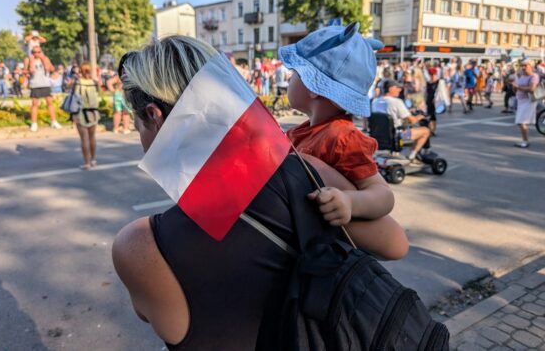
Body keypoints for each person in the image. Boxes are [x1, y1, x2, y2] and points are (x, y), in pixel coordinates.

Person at [112, 35, 409, 349]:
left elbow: (156, 318)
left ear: (154, 116)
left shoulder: (137, 247)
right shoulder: (302, 168)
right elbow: (395, 245)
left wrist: (351, 201)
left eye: (137, 124)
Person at [279, 24, 395, 227]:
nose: (290, 79)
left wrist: (350, 202)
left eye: (294, 73)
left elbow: (384, 195)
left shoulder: (342, 138)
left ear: (312, 85)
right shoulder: (302, 132)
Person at [372, 80, 431, 165]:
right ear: (390, 88)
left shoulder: (375, 102)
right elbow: (412, 120)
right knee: (425, 131)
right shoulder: (396, 102)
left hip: (379, 136)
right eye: (397, 88)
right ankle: (412, 156)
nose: (400, 90)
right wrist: (420, 116)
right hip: (397, 136)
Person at [24, 46, 62, 132]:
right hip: (35, 84)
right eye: (34, 52)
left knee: (50, 103)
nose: (36, 54)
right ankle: (34, 123)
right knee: (34, 104)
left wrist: (47, 65)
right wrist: (29, 71)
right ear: (32, 52)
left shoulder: (45, 58)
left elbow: (52, 69)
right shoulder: (28, 59)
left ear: (41, 51)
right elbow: (24, 71)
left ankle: (54, 121)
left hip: (45, 83)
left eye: (38, 52)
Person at [70, 63, 100, 168]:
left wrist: (73, 114)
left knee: (84, 139)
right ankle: (93, 160)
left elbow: (75, 99)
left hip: (81, 112)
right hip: (93, 112)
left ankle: (87, 162)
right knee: (92, 137)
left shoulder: (78, 83)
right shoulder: (94, 82)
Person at [511, 59, 540, 148]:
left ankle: (525, 141)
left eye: (525, 66)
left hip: (528, 100)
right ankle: (525, 140)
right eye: (522, 66)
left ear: (531, 66)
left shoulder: (534, 76)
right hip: (520, 100)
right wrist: (514, 86)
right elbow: (517, 87)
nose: (523, 67)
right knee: (522, 121)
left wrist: (518, 87)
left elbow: (531, 89)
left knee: (521, 121)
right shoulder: (522, 75)